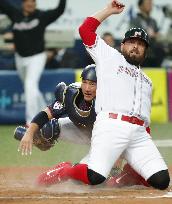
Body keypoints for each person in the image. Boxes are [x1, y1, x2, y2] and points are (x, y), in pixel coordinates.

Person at [33, 0, 170, 190]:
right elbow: (85, 31)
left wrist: (145, 140)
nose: (135, 47)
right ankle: (65, 170)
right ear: (122, 45)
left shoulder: (147, 80)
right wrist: (108, 11)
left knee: (162, 181)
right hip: (111, 126)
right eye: (131, 42)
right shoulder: (109, 57)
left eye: (140, 44)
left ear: (146, 50)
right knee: (95, 176)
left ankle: (131, 174)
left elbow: (145, 119)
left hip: (139, 134)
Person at [16, 64, 149, 188]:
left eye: (92, 84)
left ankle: (66, 169)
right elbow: (46, 114)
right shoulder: (70, 93)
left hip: (105, 139)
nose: (87, 88)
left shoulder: (112, 104)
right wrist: (29, 133)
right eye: (85, 82)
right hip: (83, 130)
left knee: (90, 179)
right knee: (48, 129)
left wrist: (113, 166)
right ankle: (43, 170)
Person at [0, 0, 67, 125]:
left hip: (37, 57)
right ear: (23, 3)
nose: (30, 4)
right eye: (28, 2)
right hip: (20, 57)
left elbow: (59, 11)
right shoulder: (15, 13)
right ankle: (47, 113)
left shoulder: (41, 16)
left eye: (33, 2)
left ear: (35, 4)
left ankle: (31, 121)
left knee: (30, 85)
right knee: (31, 88)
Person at [129, 0, 165, 67]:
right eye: (148, 3)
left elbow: (157, 35)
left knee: (161, 49)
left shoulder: (153, 21)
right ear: (140, 6)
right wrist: (148, 35)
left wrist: (157, 36)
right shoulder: (135, 20)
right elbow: (133, 35)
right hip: (141, 49)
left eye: (151, 3)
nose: (150, 5)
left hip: (153, 49)